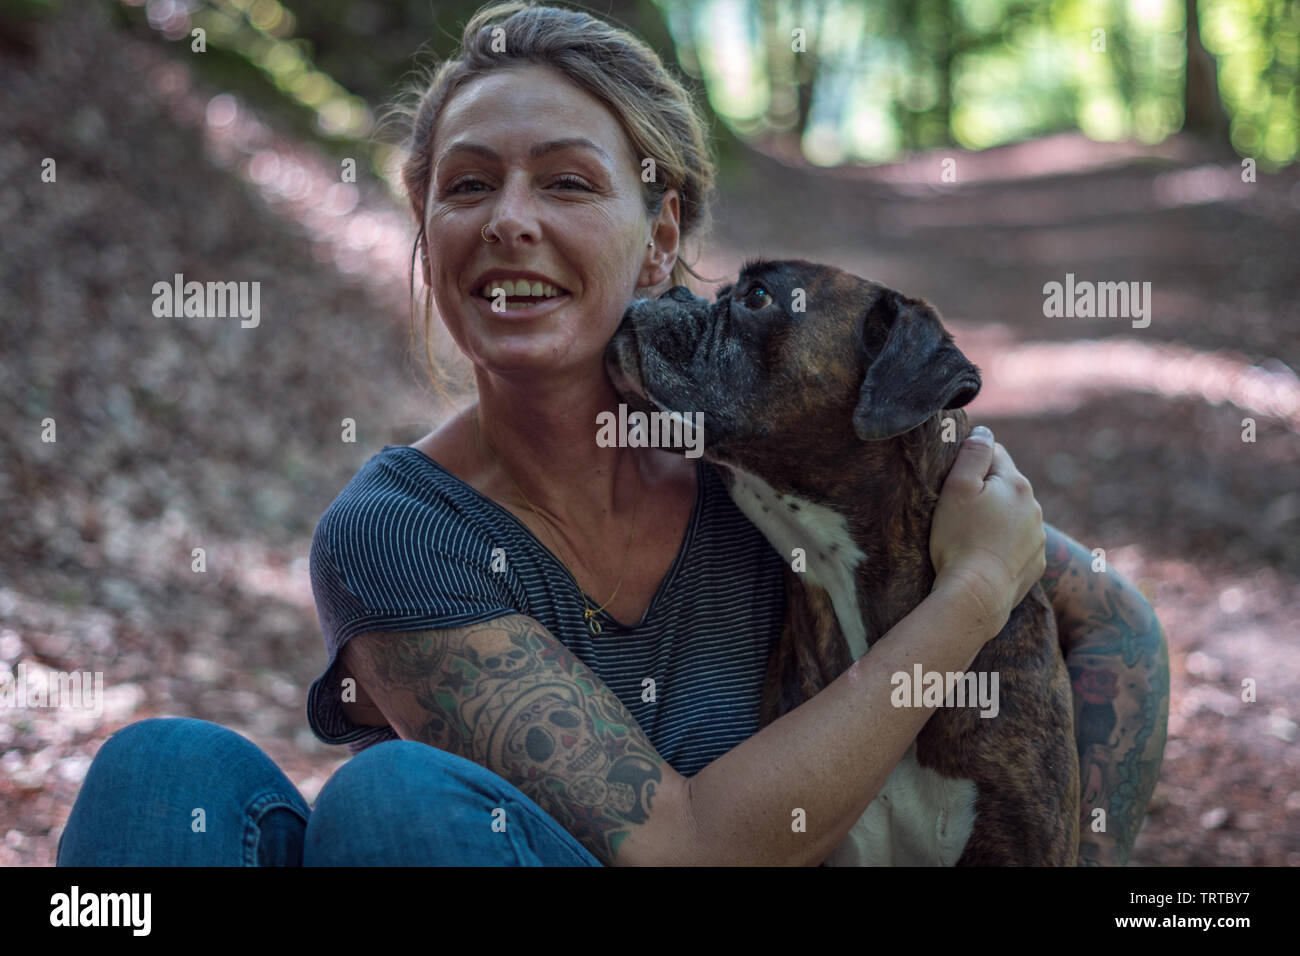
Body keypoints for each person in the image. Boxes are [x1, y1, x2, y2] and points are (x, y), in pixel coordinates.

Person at [57, 0, 1167, 867]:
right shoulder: (396, 530)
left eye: (569, 181)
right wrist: (964, 603)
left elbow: (1110, 623)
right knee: (166, 772)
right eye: (470, 184)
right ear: (429, 228)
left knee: (392, 801)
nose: (510, 220)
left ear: (657, 236)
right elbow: (682, 848)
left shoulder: (771, 459)